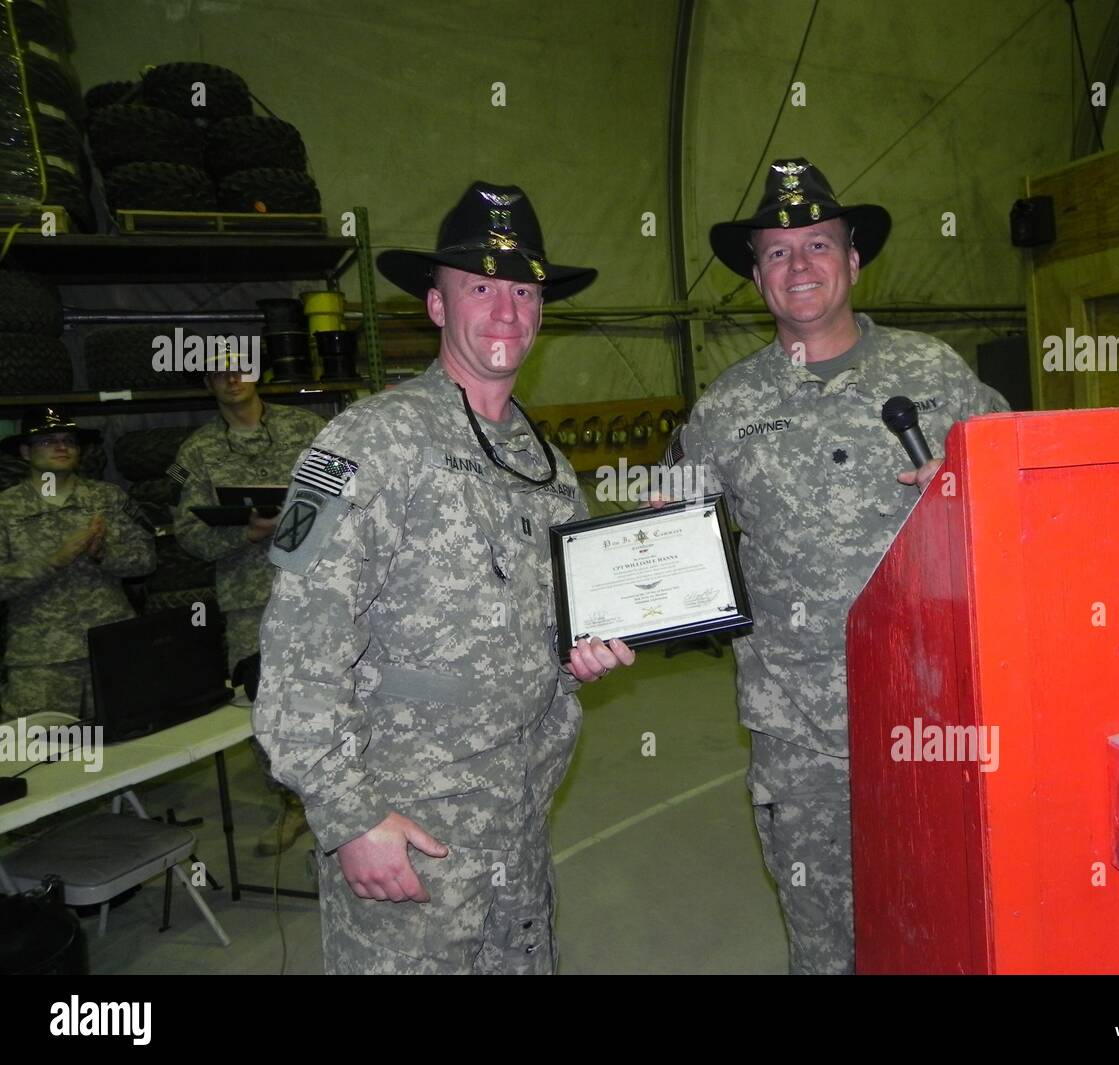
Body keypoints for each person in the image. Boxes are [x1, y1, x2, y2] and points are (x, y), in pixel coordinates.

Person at [252, 181, 635, 974]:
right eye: (481, 287)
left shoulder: (549, 468)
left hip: (517, 828)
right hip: (408, 837)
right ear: (435, 305)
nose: (506, 310)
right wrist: (348, 815)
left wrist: (579, 652)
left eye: (523, 290)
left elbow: (550, 629)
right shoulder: (358, 446)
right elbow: (294, 649)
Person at [663, 159, 1009, 973]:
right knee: (825, 944)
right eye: (777, 253)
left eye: (818, 244)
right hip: (799, 738)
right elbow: (660, 531)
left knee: (948, 925)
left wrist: (975, 491)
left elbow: (1027, 500)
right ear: (756, 277)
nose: (800, 266)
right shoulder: (725, 407)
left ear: (853, 261)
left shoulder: (935, 375)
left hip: (931, 715)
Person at [170, 354, 326, 855]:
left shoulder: (310, 428)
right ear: (207, 383)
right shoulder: (194, 453)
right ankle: (292, 803)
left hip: (324, 586)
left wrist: (302, 520)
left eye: (241, 368)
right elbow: (188, 534)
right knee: (265, 705)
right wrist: (246, 533)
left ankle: (353, 789)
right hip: (248, 597)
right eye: (218, 372)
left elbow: (357, 491)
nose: (231, 379)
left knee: (344, 684)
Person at [0, 407, 155, 720]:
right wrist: (53, 561)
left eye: (68, 440)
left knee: (134, 751)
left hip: (113, 649)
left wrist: (104, 555)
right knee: (40, 761)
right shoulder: (6, 509)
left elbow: (146, 560)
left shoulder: (108, 498)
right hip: (42, 663)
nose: (61, 446)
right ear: (25, 451)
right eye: (48, 441)